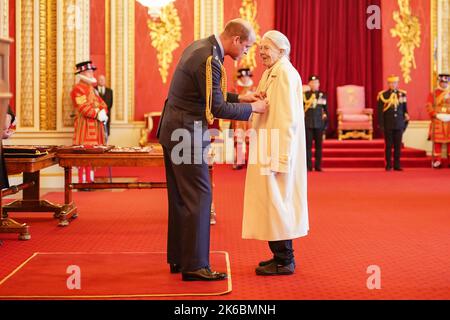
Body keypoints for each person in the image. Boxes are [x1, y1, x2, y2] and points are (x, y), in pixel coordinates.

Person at [157, 19, 268, 281]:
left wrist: (240, 97)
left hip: (173, 129)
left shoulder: (202, 47)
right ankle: (195, 266)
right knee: (200, 195)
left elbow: (208, 94)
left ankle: (180, 258)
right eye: (247, 46)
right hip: (186, 133)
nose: (246, 53)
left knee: (181, 197)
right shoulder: (210, 60)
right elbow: (216, 108)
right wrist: (253, 108)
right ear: (236, 40)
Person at [242, 30, 309, 276]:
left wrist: (282, 156)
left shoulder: (285, 74)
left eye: (266, 48)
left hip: (278, 149)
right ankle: (278, 255)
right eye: (259, 48)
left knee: (280, 202)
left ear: (282, 50)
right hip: (267, 145)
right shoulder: (271, 72)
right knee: (272, 203)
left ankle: (285, 260)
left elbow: (287, 119)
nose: (261, 53)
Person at [70, 61, 109, 185]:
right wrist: (97, 113)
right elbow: (83, 107)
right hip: (85, 126)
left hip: (96, 127)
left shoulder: (92, 89)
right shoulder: (77, 89)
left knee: (93, 153)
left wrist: (103, 111)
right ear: (82, 73)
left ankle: (90, 179)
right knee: (84, 154)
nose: (92, 73)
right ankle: (82, 181)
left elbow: (102, 103)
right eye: (89, 71)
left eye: (92, 71)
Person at [377, 75, 410, 171]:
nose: (393, 85)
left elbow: (404, 109)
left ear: (397, 84)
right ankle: (388, 165)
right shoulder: (383, 95)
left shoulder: (402, 94)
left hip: (399, 123)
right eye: (391, 83)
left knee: (397, 146)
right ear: (388, 84)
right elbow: (380, 112)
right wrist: (381, 125)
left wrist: (405, 120)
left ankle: (397, 165)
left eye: (395, 83)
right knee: (388, 146)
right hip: (388, 124)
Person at [232, 68, 255, 169]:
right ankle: (239, 161)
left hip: (250, 117)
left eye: (246, 76)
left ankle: (250, 161)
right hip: (239, 117)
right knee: (239, 139)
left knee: (250, 139)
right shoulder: (235, 88)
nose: (245, 79)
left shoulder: (254, 88)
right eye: (243, 77)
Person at [304, 75, 328, 172]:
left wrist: (325, 125)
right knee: (308, 146)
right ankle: (308, 166)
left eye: (316, 82)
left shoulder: (322, 94)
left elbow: (325, 111)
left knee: (319, 147)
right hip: (308, 123)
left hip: (319, 123)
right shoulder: (304, 95)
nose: (314, 84)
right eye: (312, 82)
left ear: (319, 84)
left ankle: (318, 166)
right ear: (309, 84)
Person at [426, 73, 450, 168]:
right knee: (437, 141)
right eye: (442, 82)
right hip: (438, 119)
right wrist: (434, 114)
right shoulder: (433, 93)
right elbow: (429, 105)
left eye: (446, 82)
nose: (444, 84)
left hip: (449, 119)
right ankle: (438, 161)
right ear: (439, 82)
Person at [96, 75, 113, 140]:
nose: (102, 81)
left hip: (106, 117)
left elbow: (110, 104)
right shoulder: (93, 90)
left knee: (105, 136)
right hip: (96, 117)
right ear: (97, 81)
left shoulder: (110, 91)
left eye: (103, 80)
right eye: (100, 79)